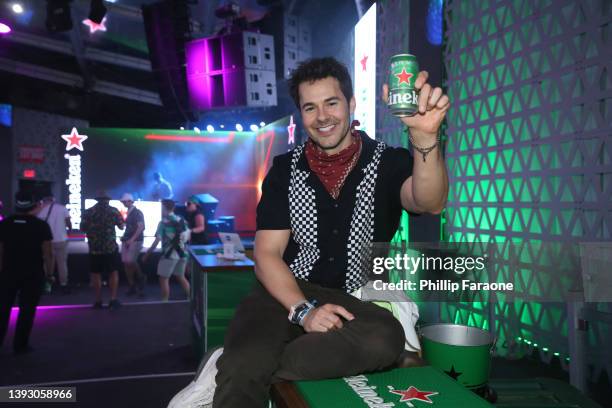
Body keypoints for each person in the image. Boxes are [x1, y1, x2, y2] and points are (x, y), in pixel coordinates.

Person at [169, 57, 449, 408]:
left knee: (384, 338)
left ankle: (234, 365)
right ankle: (241, 366)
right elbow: (267, 254)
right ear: (301, 114)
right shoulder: (285, 170)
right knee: (243, 378)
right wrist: (303, 311)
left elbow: (429, 201)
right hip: (284, 290)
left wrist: (425, 138)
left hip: (355, 296)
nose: (323, 117)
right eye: (310, 107)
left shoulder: (388, 161)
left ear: (350, 104)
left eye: (331, 103)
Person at [0, 191, 54, 354]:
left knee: (2, 309)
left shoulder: (5, 224)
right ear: (34, 205)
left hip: (8, 272)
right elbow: (48, 253)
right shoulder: (41, 226)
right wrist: (50, 274)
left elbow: (0, 251)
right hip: (32, 273)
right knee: (27, 310)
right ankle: (20, 345)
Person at [81, 191, 125, 310]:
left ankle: (98, 300)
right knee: (113, 272)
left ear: (97, 200)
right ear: (108, 200)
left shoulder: (89, 211)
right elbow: (121, 226)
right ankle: (112, 300)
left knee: (96, 274)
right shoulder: (114, 211)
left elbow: (82, 228)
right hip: (110, 247)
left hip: (95, 248)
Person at [143, 200, 190, 302]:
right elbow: (187, 238)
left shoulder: (163, 223)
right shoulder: (182, 220)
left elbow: (157, 240)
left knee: (163, 279)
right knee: (181, 277)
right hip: (182, 254)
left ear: (164, 208)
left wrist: (147, 254)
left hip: (169, 255)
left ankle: (165, 301)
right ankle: (191, 298)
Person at [37, 194, 72, 294]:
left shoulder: (41, 209)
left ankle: (47, 285)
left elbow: (39, 225)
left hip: (47, 241)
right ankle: (63, 284)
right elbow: (68, 222)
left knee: (46, 263)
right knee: (62, 263)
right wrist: (69, 230)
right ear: (53, 199)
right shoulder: (62, 208)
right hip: (61, 239)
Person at [120, 193, 146, 297]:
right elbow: (129, 226)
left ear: (131, 201)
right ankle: (132, 285)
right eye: (123, 201)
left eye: (126, 201)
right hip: (127, 239)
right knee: (126, 263)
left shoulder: (137, 212)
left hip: (135, 240)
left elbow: (141, 227)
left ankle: (141, 278)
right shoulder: (129, 212)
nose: (124, 203)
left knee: (130, 261)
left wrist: (132, 239)